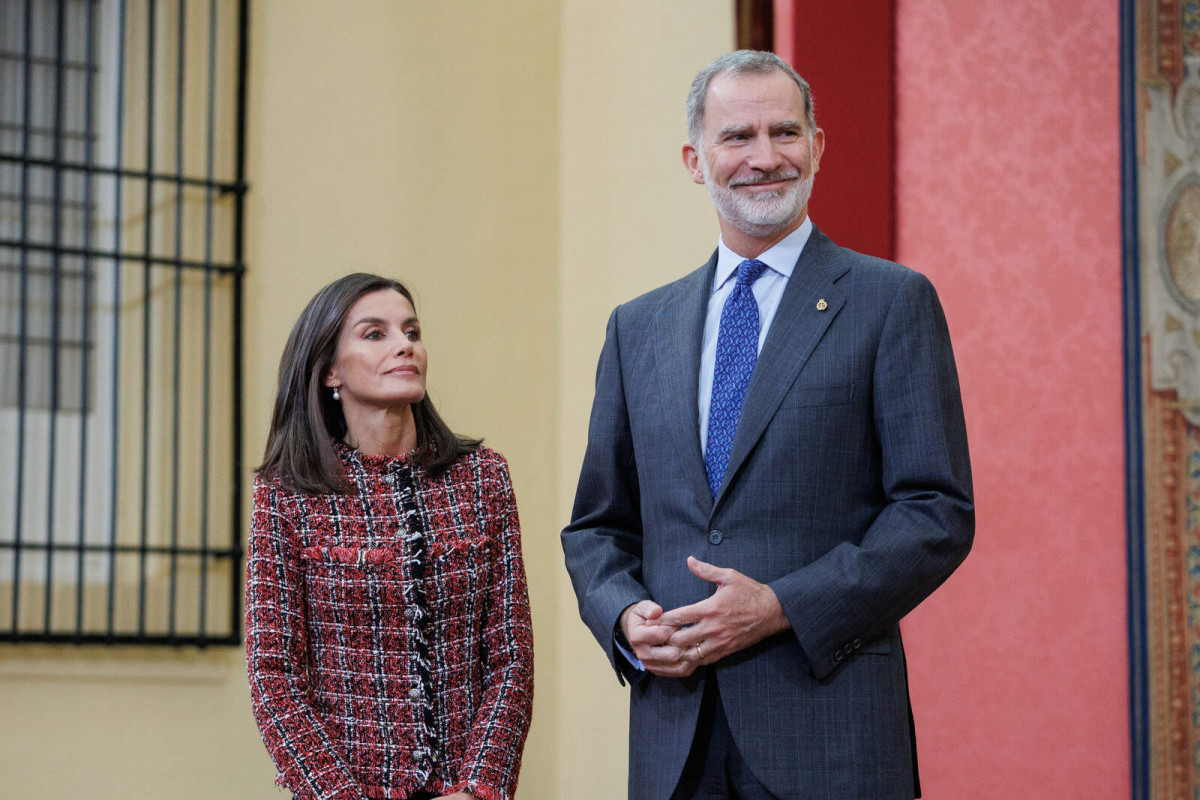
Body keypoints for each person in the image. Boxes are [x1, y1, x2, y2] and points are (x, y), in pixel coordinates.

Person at [561, 50, 973, 800]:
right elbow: (597, 526)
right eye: (737, 136)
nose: (764, 157)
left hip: (831, 734)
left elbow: (934, 512)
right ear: (695, 161)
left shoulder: (891, 302)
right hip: (674, 740)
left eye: (785, 132)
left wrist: (782, 606)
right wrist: (621, 616)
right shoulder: (637, 328)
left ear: (817, 146)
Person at [246, 273, 533, 800]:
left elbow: (510, 657)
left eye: (412, 331)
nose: (405, 345)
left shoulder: (483, 478)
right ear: (330, 370)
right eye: (375, 334)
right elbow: (274, 674)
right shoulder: (288, 493)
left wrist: (479, 787)